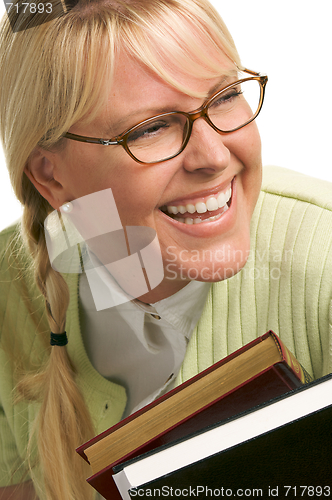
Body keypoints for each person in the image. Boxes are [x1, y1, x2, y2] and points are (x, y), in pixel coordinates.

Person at [0, 0, 332, 499]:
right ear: (52, 175)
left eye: (224, 97)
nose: (214, 156)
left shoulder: (323, 262)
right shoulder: (10, 296)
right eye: (150, 128)